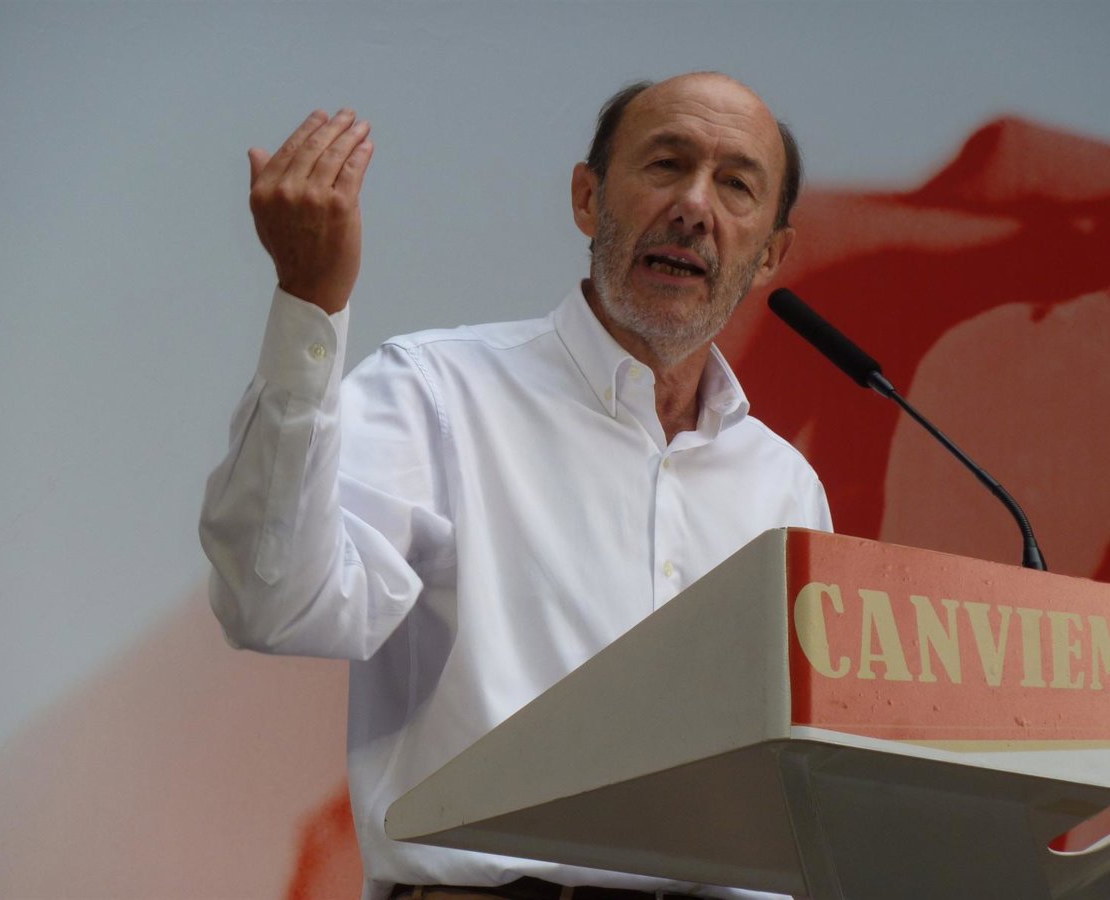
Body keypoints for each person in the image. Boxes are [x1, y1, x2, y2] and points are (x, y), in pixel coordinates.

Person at [200, 72, 831, 900]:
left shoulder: (784, 487)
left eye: (736, 185)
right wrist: (308, 301)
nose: (693, 206)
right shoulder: (438, 393)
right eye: (666, 164)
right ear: (587, 198)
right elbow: (274, 602)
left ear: (771, 255)